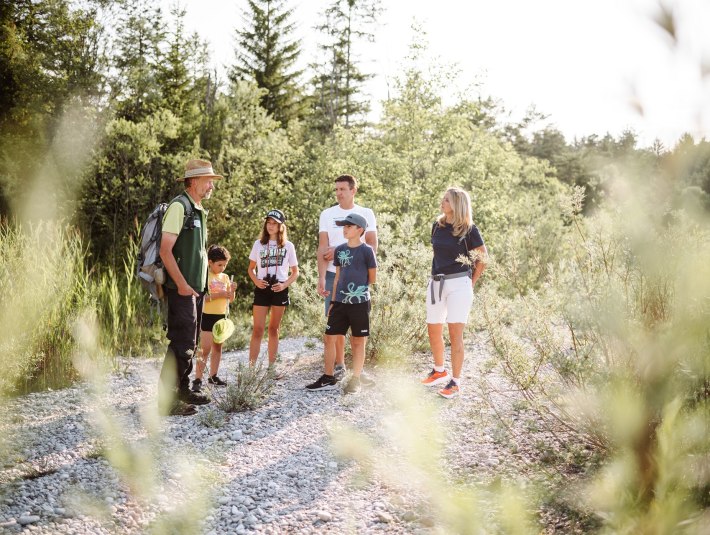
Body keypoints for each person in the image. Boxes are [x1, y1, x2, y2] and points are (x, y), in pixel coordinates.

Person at [158, 158, 222, 416]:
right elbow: (165, 251)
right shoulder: (179, 206)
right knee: (181, 344)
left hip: (196, 290)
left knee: (191, 343)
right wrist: (183, 285)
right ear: (193, 181)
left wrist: (200, 287)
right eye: (208, 182)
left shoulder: (197, 209)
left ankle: (183, 389)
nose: (211, 187)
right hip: (181, 289)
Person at [421, 187, 487, 399]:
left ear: (457, 204)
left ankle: (455, 382)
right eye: (443, 199)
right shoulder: (437, 226)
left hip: (459, 284)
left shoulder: (469, 229)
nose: (443, 202)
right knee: (433, 328)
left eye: (447, 200)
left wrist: (471, 282)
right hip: (436, 283)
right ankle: (439, 370)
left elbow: (482, 258)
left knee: (455, 334)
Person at [306, 213, 377, 393]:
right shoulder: (339, 250)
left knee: (358, 341)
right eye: (343, 226)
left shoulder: (367, 251)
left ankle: (355, 379)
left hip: (359, 303)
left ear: (359, 230)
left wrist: (357, 292)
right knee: (330, 337)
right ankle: (328, 377)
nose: (345, 229)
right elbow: (337, 277)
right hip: (339, 303)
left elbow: (372, 278)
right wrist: (334, 301)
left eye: (349, 226)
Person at [317, 174, 377, 380]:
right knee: (335, 325)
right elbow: (322, 248)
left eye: (342, 189)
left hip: (358, 279)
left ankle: (358, 372)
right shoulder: (327, 214)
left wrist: (347, 255)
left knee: (358, 331)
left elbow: (372, 244)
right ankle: (339, 365)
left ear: (353, 190)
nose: (338, 193)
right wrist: (321, 277)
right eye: (336, 190)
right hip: (334, 276)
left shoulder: (365, 213)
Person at [247, 209, 299, 368]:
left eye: (274, 223)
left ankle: (271, 368)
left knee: (273, 329)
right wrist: (256, 281)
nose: (270, 226)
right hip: (262, 288)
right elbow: (251, 269)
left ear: (280, 226)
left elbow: (295, 272)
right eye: (268, 223)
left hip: (279, 288)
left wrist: (284, 284)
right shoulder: (258, 244)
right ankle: (251, 369)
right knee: (258, 329)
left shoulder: (288, 246)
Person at [192, 245, 236, 393]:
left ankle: (213, 376)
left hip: (221, 316)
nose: (222, 268)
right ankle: (197, 379)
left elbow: (230, 300)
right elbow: (202, 298)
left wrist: (232, 292)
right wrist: (219, 295)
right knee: (205, 349)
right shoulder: (204, 277)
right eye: (219, 265)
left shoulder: (225, 277)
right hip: (208, 316)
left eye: (225, 265)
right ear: (210, 262)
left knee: (218, 347)